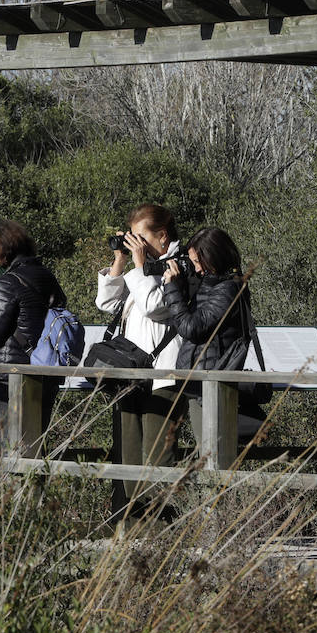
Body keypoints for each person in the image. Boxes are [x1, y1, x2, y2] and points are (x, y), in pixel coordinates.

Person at [96, 202, 185, 521]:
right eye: (131, 237)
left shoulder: (179, 265)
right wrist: (121, 260)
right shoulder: (143, 265)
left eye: (140, 237)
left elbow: (151, 305)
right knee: (130, 451)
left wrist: (138, 262)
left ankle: (161, 523)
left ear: (162, 235)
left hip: (163, 373)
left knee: (158, 451)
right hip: (132, 372)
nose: (135, 243)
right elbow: (106, 302)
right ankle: (135, 519)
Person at [0, 220, 67, 453]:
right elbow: (31, 318)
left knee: (11, 449)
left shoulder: (8, 281)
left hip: (9, 376)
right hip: (44, 372)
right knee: (35, 449)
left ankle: (15, 490)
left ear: (0, 252)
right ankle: (33, 489)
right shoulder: (46, 276)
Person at [161, 227, 252, 455]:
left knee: (211, 455)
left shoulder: (228, 289)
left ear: (214, 256)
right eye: (193, 262)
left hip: (212, 384)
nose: (197, 268)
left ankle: (217, 490)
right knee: (207, 452)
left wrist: (171, 288)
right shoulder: (212, 285)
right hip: (200, 383)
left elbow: (191, 328)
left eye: (199, 261)